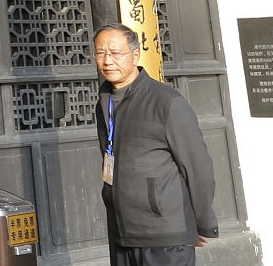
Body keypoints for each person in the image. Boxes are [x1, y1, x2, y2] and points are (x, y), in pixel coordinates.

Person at [93, 23, 217, 265]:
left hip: (164, 235)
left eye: (116, 53)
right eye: (100, 53)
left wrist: (202, 223)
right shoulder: (104, 102)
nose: (107, 61)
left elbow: (197, 167)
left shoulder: (166, 102)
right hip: (122, 231)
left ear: (135, 55)